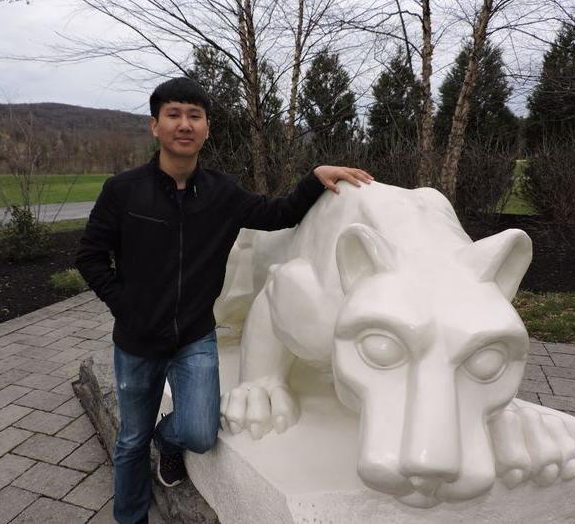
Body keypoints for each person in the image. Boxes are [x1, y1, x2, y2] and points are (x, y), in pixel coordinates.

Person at [74, 76, 372, 524]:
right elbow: (90, 256)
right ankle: (130, 517)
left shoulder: (221, 191)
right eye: (173, 114)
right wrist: (125, 304)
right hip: (136, 341)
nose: (184, 124)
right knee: (131, 440)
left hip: (195, 336)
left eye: (195, 116)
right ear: (155, 126)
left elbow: (277, 214)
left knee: (198, 430)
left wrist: (314, 180)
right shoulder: (124, 190)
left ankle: (168, 441)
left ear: (207, 128)